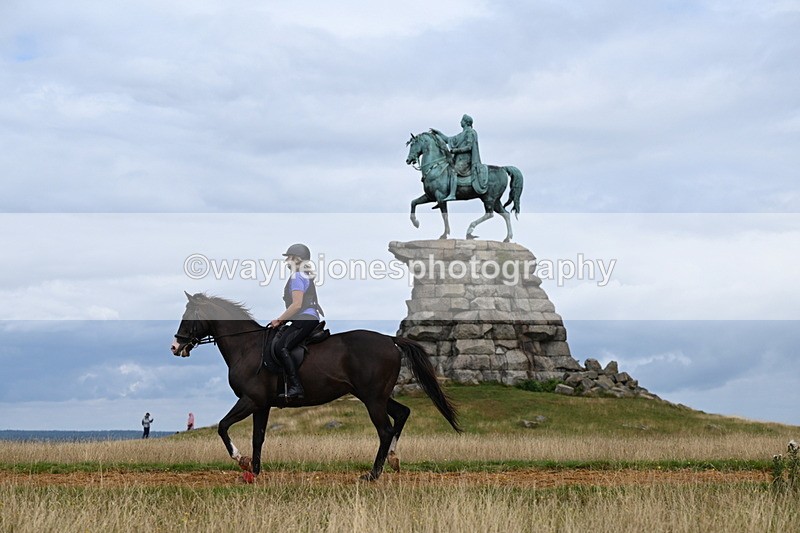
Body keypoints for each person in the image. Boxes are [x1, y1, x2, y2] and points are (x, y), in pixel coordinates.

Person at [270, 243, 324, 400]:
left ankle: (296, 387)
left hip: (305, 318)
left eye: (288, 257)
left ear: (296, 259)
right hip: (307, 318)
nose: (286, 261)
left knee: (281, 347)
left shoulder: (297, 277)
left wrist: (279, 320)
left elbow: (297, 305)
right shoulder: (302, 275)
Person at [431, 114, 489, 202]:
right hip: (458, 159)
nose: (460, 122)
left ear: (465, 122)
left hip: (466, 160)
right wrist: (438, 133)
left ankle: (452, 194)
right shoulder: (462, 134)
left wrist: (456, 151)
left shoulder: (470, 132)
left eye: (462, 121)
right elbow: (448, 139)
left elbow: (469, 147)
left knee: (453, 171)